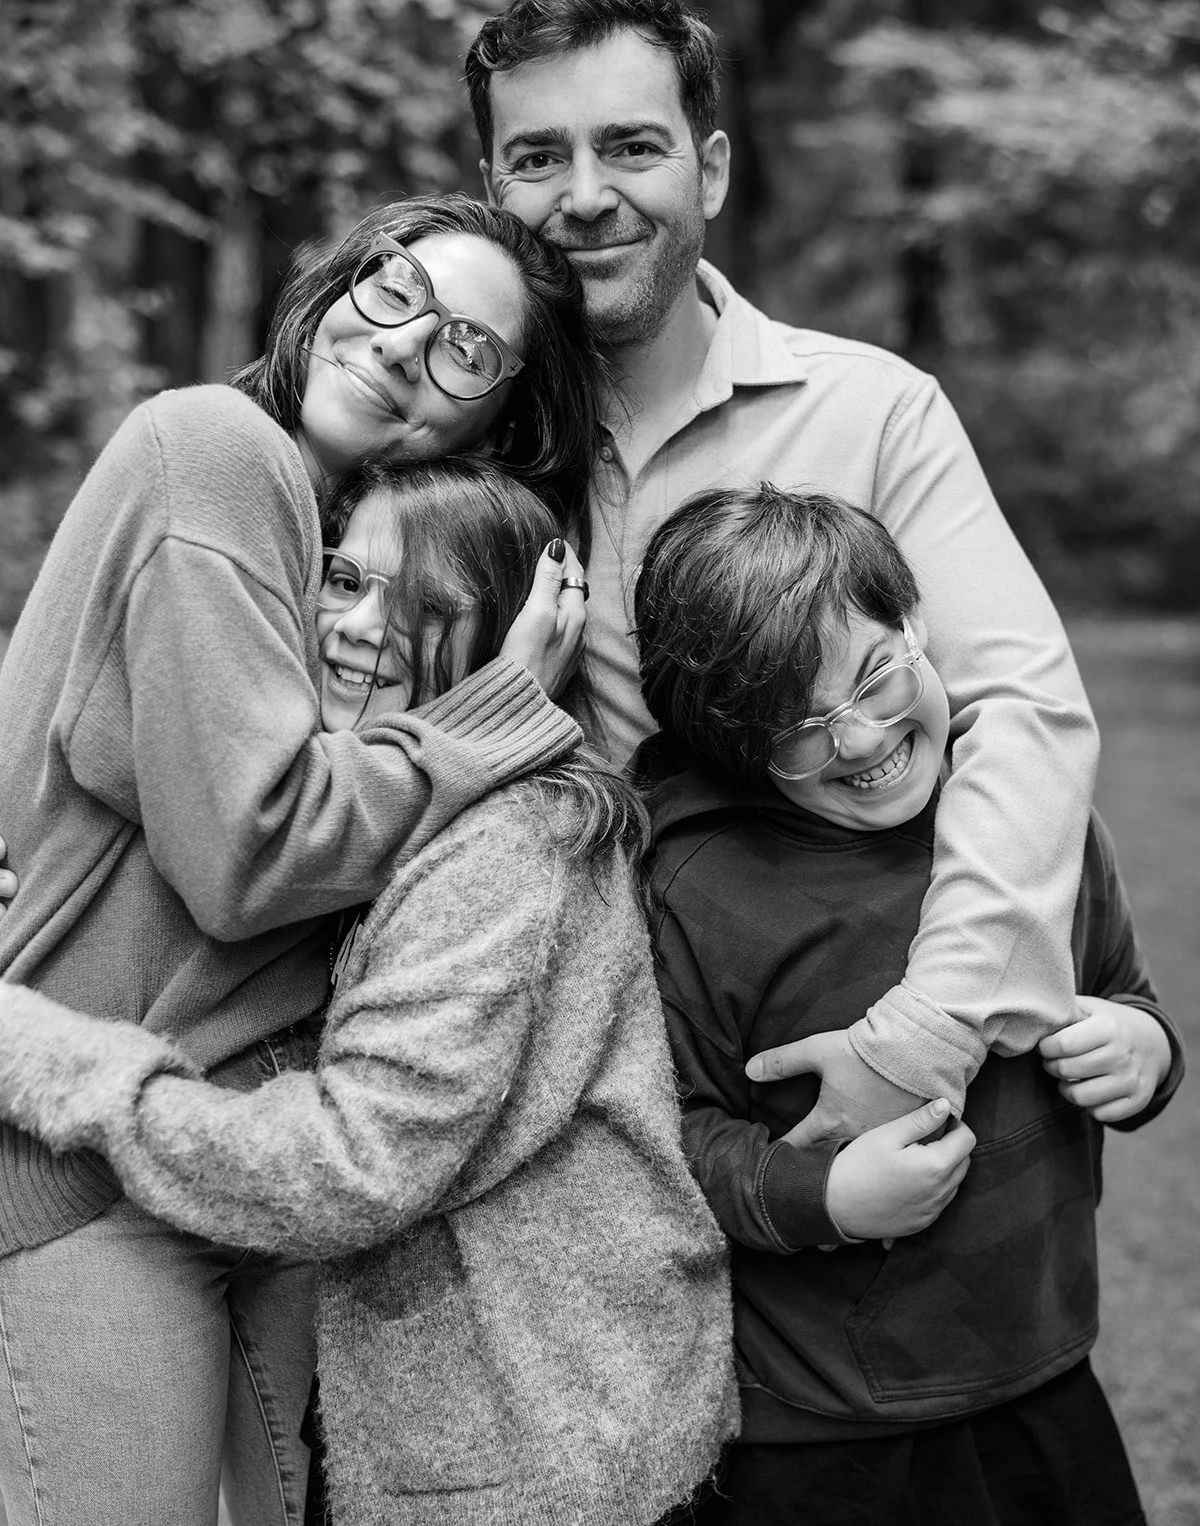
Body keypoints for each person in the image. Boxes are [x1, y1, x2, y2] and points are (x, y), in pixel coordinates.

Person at [0, 193, 605, 1526]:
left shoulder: (345, 548)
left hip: (249, 1166)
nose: (400, 342)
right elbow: (253, 854)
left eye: (464, 345)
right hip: (83, 1163)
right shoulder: (214, 448)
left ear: (496, 420)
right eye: (392, 288)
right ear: (338, 284)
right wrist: (498, 709)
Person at [0, 459, 738, 1526]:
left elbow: (353, 1162)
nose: (355, 625)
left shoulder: (507, 848)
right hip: (488, 1421)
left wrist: (51, 1058)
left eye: (426, 605)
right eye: (343, 578)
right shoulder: (366, 809)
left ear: (508, 640)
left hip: (538, 1443)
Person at [464, 0, 1101, 1144]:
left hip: (832, 1064)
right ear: (493, 186)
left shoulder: (873, 410)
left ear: (708, 167)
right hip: (546, 1087)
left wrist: (928, 1031)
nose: (586, 195)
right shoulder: (458, 438)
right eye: (540, 157)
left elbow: (1025, 714)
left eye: (631, 146)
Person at [633, 484, 1184, 1526]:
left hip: (1041, 1369)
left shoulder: (1027, 829)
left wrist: (1143, 1049)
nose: (858, 739)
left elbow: (1124, 989)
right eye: (797, 728)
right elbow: (667, 1147)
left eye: (878, 676)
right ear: (733, 743)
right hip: (820, 1430)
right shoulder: (694, 893)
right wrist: (825, 1198)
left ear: (916, 622)